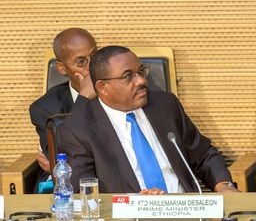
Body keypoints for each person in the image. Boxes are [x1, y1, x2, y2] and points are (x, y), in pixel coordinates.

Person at [56, 45, 238, 194]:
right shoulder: (77, 130)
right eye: (129, 76)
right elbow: (83, 192)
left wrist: (224, 185)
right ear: (102, 87)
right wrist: (133, 204)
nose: (141, 80)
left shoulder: (165, 105)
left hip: (185, 210)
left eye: (141, 71)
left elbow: (203, 154)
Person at [29, 28, 97, 175]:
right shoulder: (44, 109)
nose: (91, 67)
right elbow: (62, 160)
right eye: (81, 62)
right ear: (62, 68)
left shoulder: (120, 91)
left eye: (95, 56)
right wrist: (83, 99)